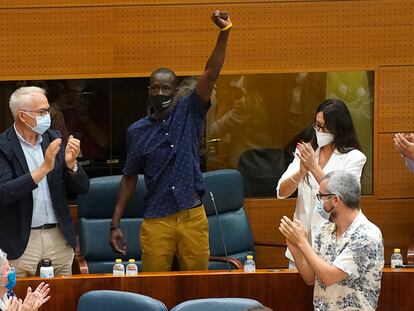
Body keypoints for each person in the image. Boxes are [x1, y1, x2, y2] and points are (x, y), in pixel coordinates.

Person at [109, 11, 232, 272]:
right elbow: (129, 177)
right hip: (157, 219)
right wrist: (115, 223)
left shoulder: (190, 110)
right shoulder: (137, 131)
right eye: (156, 88)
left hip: (192, 214)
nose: (161, 93)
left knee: (198, 286)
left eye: (167, 88)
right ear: (149, 90)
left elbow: (211, 74)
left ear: (175, 92)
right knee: (154, 288)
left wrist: (225, 33)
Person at [0, 86, 90, 277]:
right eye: (42, 112)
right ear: (23, 116)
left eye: (47, 110)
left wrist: (72, 165)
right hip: (22, 241)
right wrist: (43, 169)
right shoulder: (3, 146)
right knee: (21, 302)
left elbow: (83, 187)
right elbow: (5, 193)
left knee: (63, 301)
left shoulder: (54, 139)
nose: (48, 115)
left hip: (58, 238)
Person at [276, 99, 366, 268]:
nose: (320, 131)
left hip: (333, 245)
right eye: (317, 125)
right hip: (301, 244)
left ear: (339, 129)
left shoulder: (354, 158)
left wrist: (313, 167)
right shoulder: (306, 151)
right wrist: (301, 172)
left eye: (325, 127)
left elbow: (344, 198)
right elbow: (281, 191)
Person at [279, 170, 384, 310]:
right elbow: (311, 278)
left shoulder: (366, 235)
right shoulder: (325, 229)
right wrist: (295, 249)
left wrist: (302, 242)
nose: (318, 202)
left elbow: (329, 276)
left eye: (320, 196)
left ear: (335, 200)